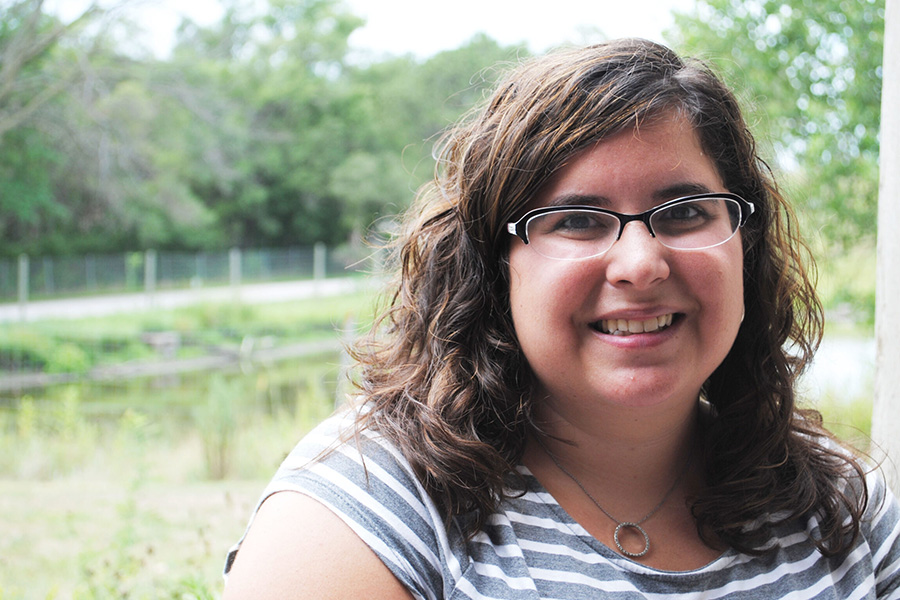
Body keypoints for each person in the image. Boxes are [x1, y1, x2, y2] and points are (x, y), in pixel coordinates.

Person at [222, 38, 900, 599]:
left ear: (742, 245)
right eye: (577, 220)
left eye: (685, 211)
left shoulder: (850, 511)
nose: (640, 263)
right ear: (496, 265)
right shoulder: (369, 506)